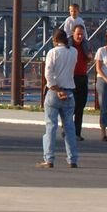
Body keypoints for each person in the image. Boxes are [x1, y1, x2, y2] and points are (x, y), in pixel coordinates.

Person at [39, 28, 79, 169]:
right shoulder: (74, 52)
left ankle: (49, 158)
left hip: (54, 93)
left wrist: (56, 89)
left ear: (55, 40)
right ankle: (72, 158)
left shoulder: (53, 52)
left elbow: (48, 74)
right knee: (69, 127)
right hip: (69, 92)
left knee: (51, 126)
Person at [70, 24, 91, 141]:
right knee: (70, 106)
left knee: (80, 106)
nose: (80, 36)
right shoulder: (69, 45)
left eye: (82, 34)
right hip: (70, 78)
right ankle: (67, 129)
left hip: (82, 77)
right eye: (78, 34)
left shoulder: (85, 44)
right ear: (73, 33)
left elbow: (89, 57)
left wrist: (89, 57)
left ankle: (77, 133)